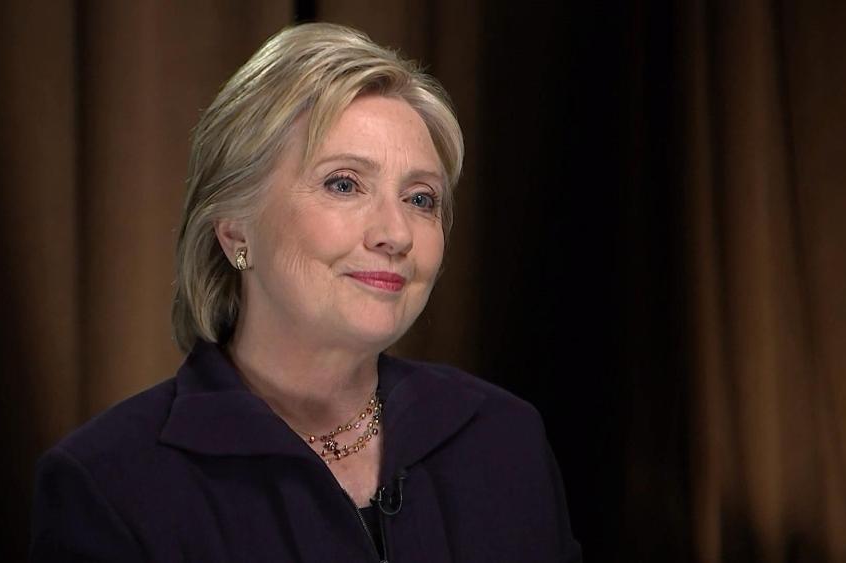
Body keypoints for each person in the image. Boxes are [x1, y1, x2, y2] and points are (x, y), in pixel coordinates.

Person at [31, 22, 581, 562]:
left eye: (420, 199)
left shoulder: (504, 438)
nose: (395, 234)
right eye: (344, 184)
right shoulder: (108, 487)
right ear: (235, 230)